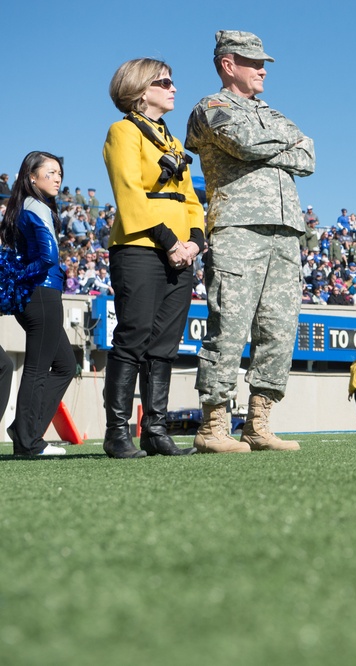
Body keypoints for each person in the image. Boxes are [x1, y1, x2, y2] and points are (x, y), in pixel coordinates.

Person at [186, 30, 315, 453]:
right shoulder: (211, 107)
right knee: (230, 326)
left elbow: (309, 156)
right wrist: (283, 146)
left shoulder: (272, 113)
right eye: (253, 62)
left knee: (279, 330)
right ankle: (213, 425)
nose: (262, 70)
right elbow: (242, 143)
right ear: (228, 64)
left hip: (284, 231)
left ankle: (259, 422)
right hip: (238, 228)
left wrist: (271, 147)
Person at [102, 57, 206, 458]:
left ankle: (155, 430)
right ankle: (116, 433)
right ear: (142, 90)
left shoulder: (171, 140)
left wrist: (195, 241)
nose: (173, 88)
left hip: (181, 253)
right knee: (132, 339)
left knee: (164, 345)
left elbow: (192, 199)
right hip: (140, 249)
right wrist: (170, 241)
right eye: (164, 82)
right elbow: (129, 193)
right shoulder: (123, 132)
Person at [0, 152, 75, 456]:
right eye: (51, 172)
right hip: (42, 295)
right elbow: (46, 257)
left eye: (60, 173)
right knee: (37, 368)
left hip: (34, 296)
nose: (58, 178)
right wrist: (24, 279)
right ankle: (28, 441)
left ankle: (24, 430)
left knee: (65, 365)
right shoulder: (37, 207)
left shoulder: (24, 207)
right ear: (32, 176)